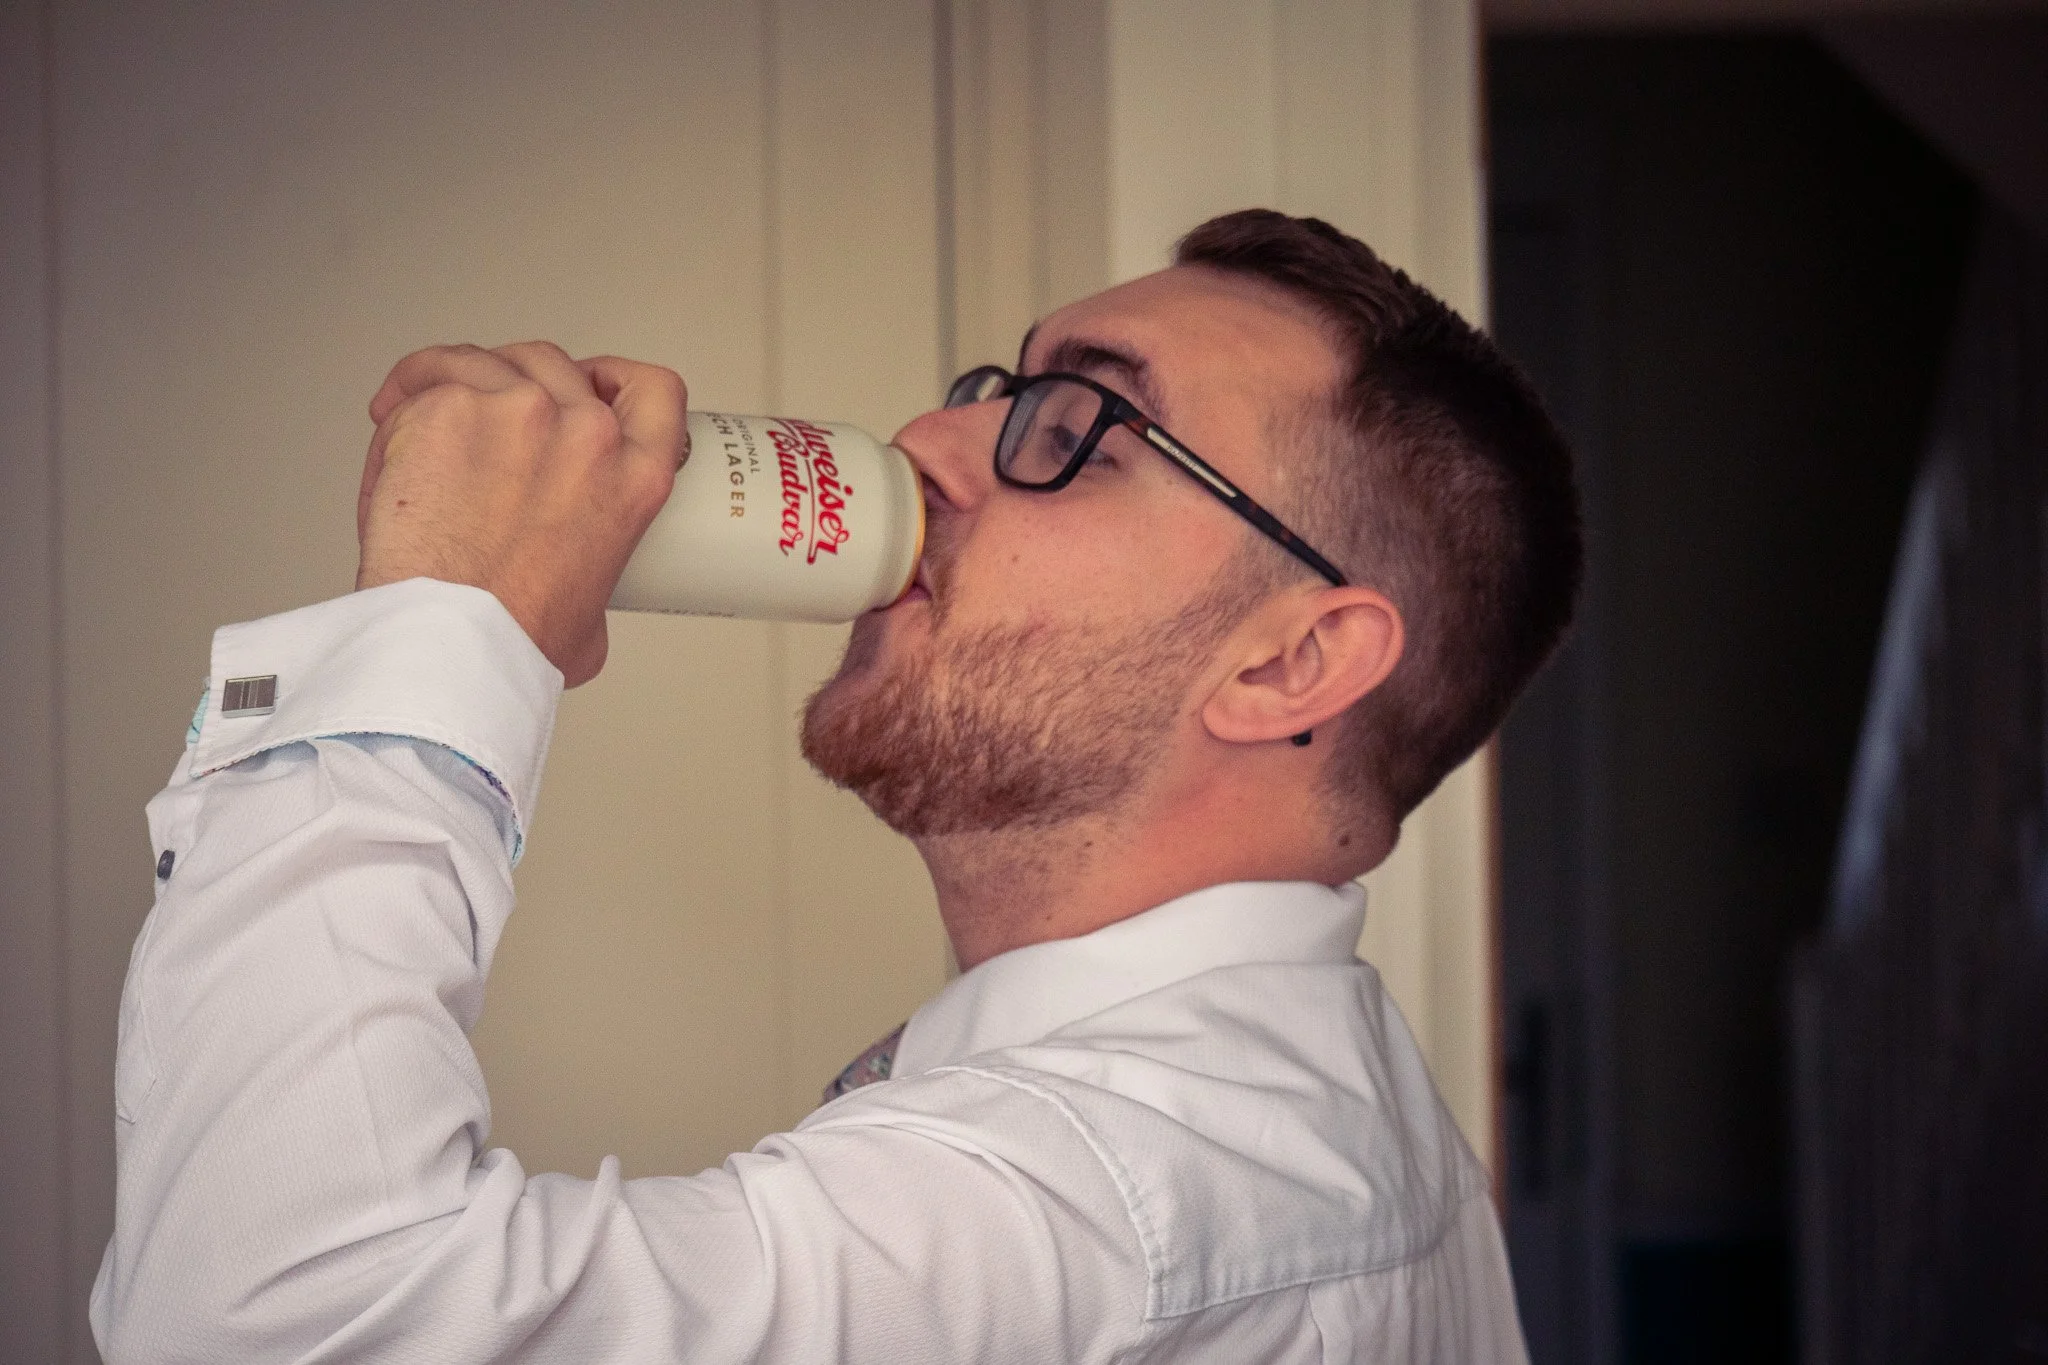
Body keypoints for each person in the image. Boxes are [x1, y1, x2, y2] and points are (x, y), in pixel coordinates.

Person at [92, 209, 1578, 1363]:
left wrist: (435, 640)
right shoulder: (1299, 1094)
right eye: (997, 390)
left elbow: (273, 1317)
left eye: (1081, 431)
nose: (927, 446)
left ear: (1290, 664)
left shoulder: (1124, 1185)